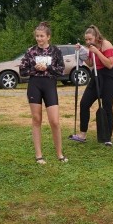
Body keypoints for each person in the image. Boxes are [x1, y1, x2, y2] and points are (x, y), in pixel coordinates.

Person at [19, 22, 67, 164]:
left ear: (48, 37)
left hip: (50, 85)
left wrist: (47, 67)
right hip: (35, 85)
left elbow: (61, 70)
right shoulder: (31, 51)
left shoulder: (55, 51)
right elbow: (22, 71)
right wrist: (35, 69)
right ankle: (39, 155)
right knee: (36, 119)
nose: (39, 39)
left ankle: (59, 154)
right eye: (37, 36)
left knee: (54, 121)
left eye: (42, 36)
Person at [67, 25, 113, 146]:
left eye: (90, 39)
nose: (87, 42)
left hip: (109, 76)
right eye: (86, 40)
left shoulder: (106, 44)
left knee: (107, 106)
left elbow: (109, 64)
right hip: (96, 75)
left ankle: (107, 137)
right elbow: (91, 63)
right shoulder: (90, 48)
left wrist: (97, 51)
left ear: (96, 37)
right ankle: (82, 134)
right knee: (84, 103)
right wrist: (81, 54)